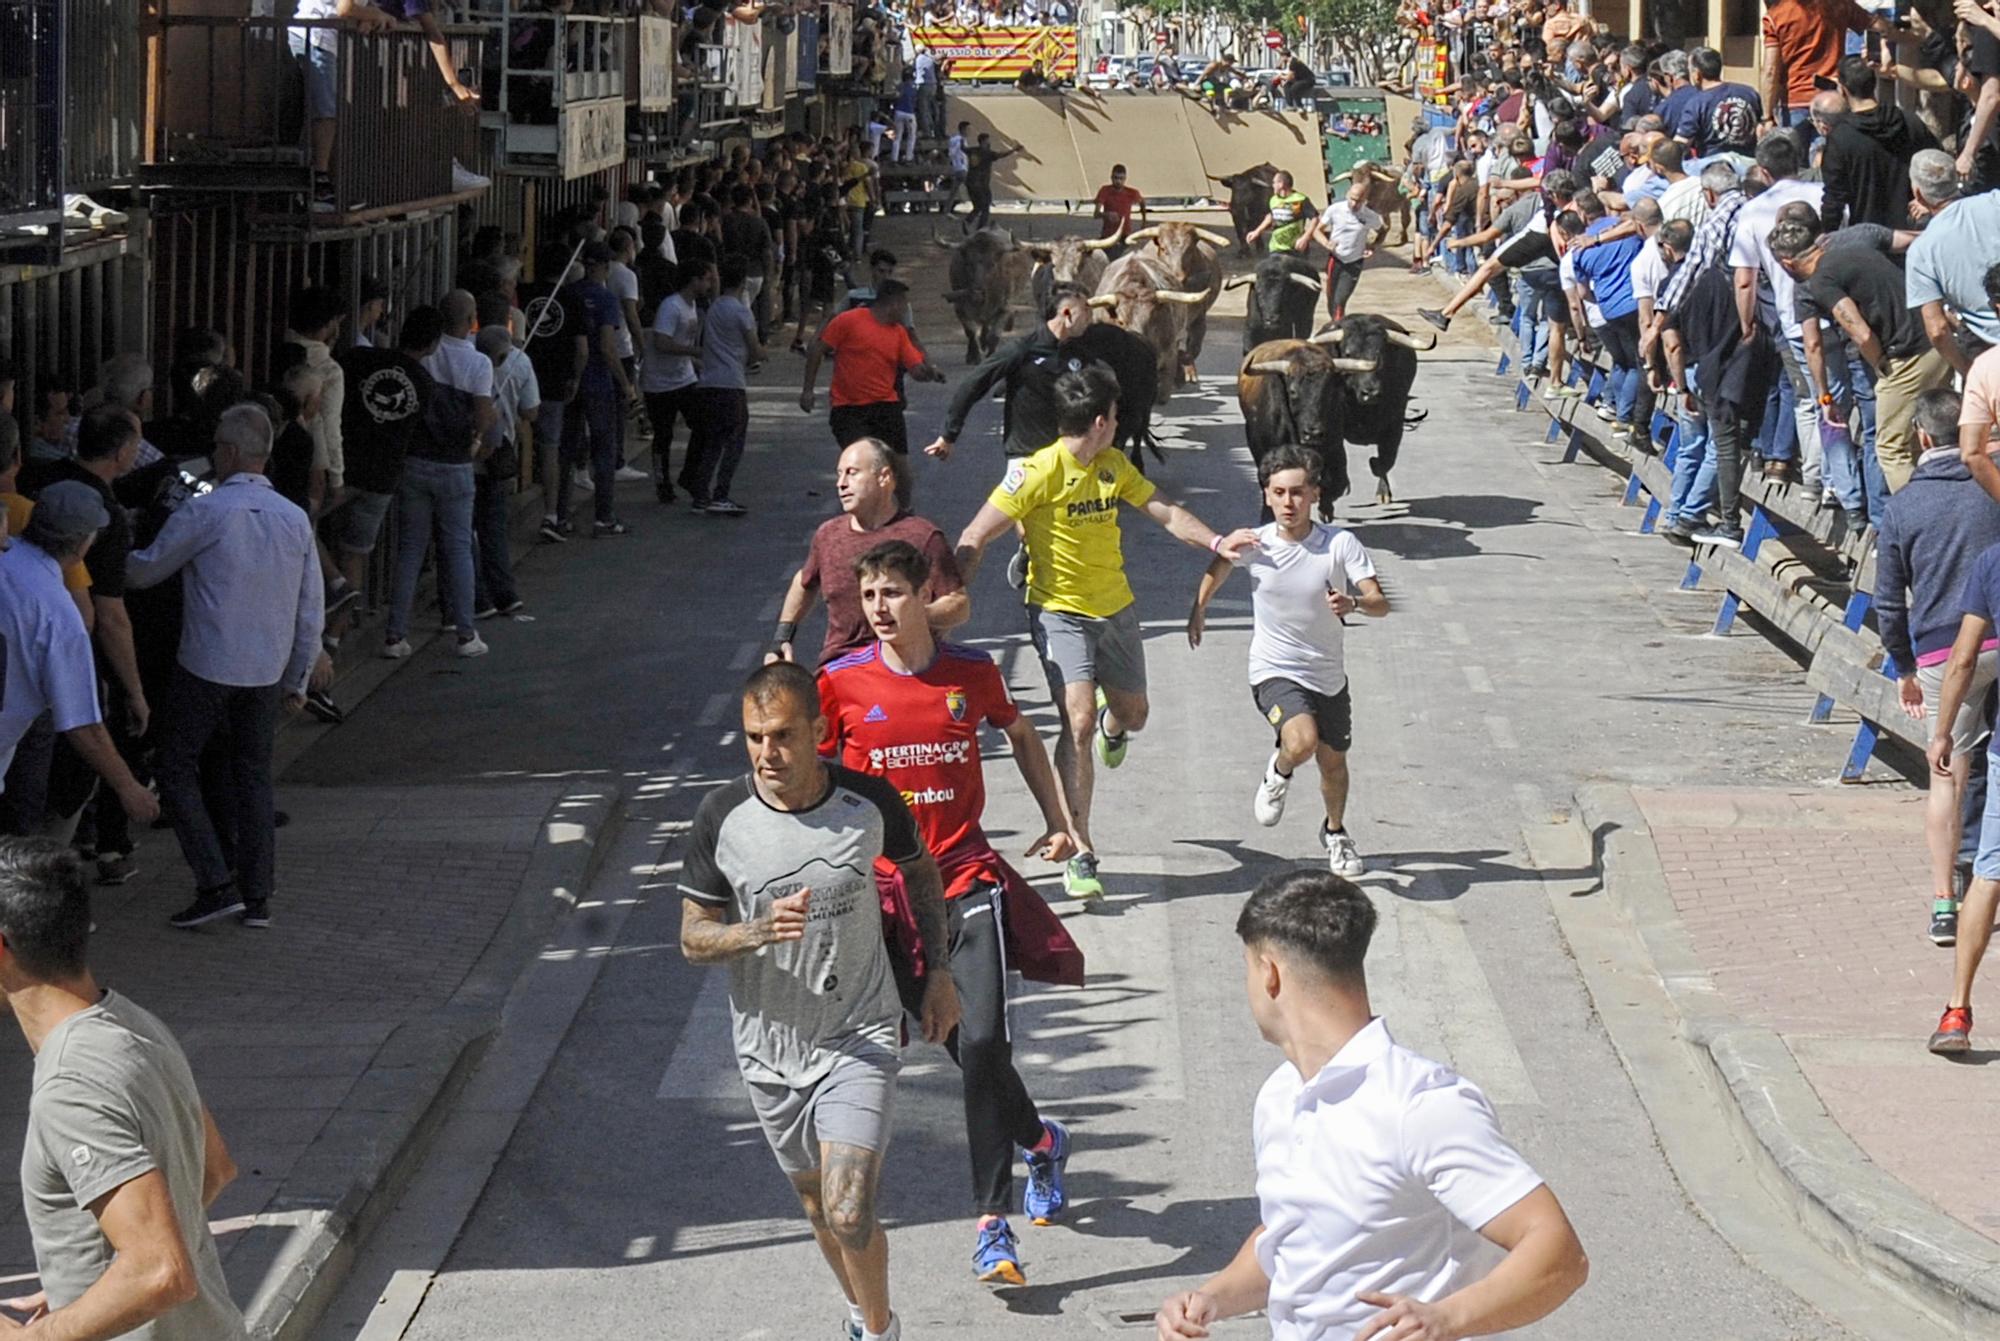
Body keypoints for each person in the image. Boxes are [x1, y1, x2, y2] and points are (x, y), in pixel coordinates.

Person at [1150, 869, 1589, 1340]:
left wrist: (1447, 1318)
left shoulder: (1418, 1105)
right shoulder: (1281, 1095)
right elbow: (1295, 1240)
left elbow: (1559, 1251)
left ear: (1268, 973)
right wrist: (1212, 1298)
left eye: (1246, 966)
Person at [817, 540, 1080, 1286]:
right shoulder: (839, 683)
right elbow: (815, 776)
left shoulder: (971, 672)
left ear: (921, 595)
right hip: (889, 903)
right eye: (869, 597)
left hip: (967, 880)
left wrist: (1061, 819)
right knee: (963, 1047)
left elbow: (1022, 733)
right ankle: (1042, 1138)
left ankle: (991, 1224)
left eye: (893, 593)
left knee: (988, 1038)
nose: (879, 609)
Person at [678, 661, 960, 1341]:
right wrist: (754, 930)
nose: (766, 754)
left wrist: (939, 973)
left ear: (817, 730)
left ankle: (880, 1330)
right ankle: (867, 1318)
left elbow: (919, 869)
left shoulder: (866, 804)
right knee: (817, 1207)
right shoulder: (723, 817)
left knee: (849, 1205)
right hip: (770, 1048)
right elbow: (692, 936)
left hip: (858, 1032)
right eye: (752, 738)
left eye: (780, 735)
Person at [952, 368, 1259, 900]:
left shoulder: (1114, 465)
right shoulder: (1034, 473)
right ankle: (1081, 848)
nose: (1118, 425)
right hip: (1057, 611)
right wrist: (952, 595)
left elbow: (1163, 511)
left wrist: (1216, 544)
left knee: (1132, 713)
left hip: (1115, 608)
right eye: (1116, 418)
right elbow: (975, 533)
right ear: (1100, 422)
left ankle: (1113, 730)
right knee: (1076, 719)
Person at [0, 840, 247, 1338]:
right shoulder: (133, 1021)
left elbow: (160, 1273)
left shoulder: (71, 1086)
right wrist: (92, 1294)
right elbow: (215, 1168)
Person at [126, 404, 325, 931]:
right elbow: (311, 606)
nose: (213, 452)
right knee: (253, 778)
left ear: (231, 452)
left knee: (176, 766)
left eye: (217, 444)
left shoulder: (208, 511)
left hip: (208, 662)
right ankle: (257, 894)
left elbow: (146, 571)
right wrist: (299, 676)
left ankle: (215, 881)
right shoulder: (294, 517)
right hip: (266, 667)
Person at [1185, 445, 1389, 876]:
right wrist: (1198, 609)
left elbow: (1378, 602)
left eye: (1297, 492)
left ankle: (1335, 833)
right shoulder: (1256, 544)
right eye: (1278, 492)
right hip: (1274, 669)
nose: (1287, 503)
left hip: (1328, 673)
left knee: (1333, 762)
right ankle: (1278, 773)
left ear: (1314, 494)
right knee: (1301, 742)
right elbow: (1218, 567)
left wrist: (1353, 602)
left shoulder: (1339, 544)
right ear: (1266, 495)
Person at [1874, 389, 2000, 949]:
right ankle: (1984, 872)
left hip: (1943, 653)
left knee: (1947, 772)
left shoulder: (1902, 505)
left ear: (1923, 437)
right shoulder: (1989, 487)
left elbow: (1887, 601)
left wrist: (1902, 664)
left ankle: (1946, 902)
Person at [0, 484, 159, 839]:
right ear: (84, 542)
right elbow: (83, 725)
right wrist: (128, 786)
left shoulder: (5, 561)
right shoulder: (59, 615)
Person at [1771, 217, 1948, 494]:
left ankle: (1921, 523)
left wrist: (1879, 365)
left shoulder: (1820, 281)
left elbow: (1860, 333)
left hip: (1905, 355)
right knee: (1925, 436)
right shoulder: (1855, 248)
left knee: (1890, 448)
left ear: (1787, 264)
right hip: (1938, 340)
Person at [770, 439, 968, 667]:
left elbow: (959, 604)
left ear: (884, 477)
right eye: (839, 474)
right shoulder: (828, 535)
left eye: (852, 473)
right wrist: (782, 638)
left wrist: (918, 615)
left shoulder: (923, 535)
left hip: (907, 670)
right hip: (842, 669)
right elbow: (804, 582)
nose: (841, 484)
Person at [385, 290, 490, 659]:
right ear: (471, 318)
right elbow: (483, 417)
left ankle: (395, 634)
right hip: (456, 466)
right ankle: (465, 632)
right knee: (458, 548)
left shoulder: (426, 355)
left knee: (410, 549)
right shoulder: (478, 364)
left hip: (415, 461)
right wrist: (479, 443)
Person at [925, 284, 1094, 463]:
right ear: (1067, 314)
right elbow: (973, 384)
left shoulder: (1081, 354)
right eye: (1085, 311)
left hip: (1069, 457)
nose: (1090, 319)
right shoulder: (1023, 349)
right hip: (1027, 457)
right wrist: (948, 434)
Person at [800, 281, 943, 455]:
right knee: (864, 458)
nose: (906, 310)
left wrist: (929, 372)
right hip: (849, 408)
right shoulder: (849, 320)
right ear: (893, 304)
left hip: (885, 405)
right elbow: (817, 350)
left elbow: (915, 369)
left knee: (898, 463)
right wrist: (808, 390)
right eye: (904, 304)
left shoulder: (899, 333)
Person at [563, 241, 641, 537]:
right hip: (598, 379)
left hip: (571, 380)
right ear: (606, 268)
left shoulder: (569, 294)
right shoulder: (606, 299)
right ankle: (604, 516)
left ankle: (559, 515)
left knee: (567, 449)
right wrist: (626, 384)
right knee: (603, 448)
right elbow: (609, 348)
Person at [1905, 150, 2000, 377]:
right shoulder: (1995, 201)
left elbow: (1937, 329)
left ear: (1918, 193)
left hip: (1987, 352)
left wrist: (1967, 370)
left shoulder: (1921, 251)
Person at [1819, 54, 1935, 231]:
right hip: (1912, 233)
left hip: (1867, 237)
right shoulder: (1909, 122)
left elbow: (1834, 199)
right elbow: (1937, 165)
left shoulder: (1840, 138)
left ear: (1843, 90)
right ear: (1874, 83)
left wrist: (1826, 238)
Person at [685, 256, 763, 517]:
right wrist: (761, 355)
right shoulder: (742, 312)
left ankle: (701, 493)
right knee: (735, 440)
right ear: (742, 283)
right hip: (731, 383)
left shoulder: (714, 307)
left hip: (709, 382)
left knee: (713, 441)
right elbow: (753, 348)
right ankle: (721, 492)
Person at [473, 324, 535, 619]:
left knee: (465, 532)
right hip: (499, 458)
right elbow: (531, 410)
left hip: (467, 459)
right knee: (494, 529)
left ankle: (477, 595)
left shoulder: (466, 362)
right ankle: (503, 592)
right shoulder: (520, 363)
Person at [1761, 0, 1894, 137]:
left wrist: (1767, 117)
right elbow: (1879, 26)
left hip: (1794, 101)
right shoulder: (1838, 4)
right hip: (1832, 98)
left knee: (1794, 155)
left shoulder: (1776, 15)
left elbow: (1770, 71)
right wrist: (1879, 50)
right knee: (1830, 154)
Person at [642, 257, 710, 507]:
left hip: (684, 377)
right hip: (660, 382)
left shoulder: (691, 306)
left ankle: (689, 475)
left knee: (702, 424)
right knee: (663, 434)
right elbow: (662, 342)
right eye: (706, 279)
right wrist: (693, 353)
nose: (709, 284)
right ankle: (663, 483)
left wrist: (694, 362)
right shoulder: (672, 307)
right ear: (694, 280)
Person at [1305, 178, 1382, 323]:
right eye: (1352, 199)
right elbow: (1317, 230)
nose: (1354, 204)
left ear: (1365, 199)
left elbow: (1381, 229)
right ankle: (1335, 321)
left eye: (1358, 201)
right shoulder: (1335, 209)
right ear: (1347, 195)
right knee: (1331, 298)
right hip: (1335, 259)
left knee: (1341, 299)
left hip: (1354, 261)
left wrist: (1372, 245)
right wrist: (1326, 243)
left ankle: (1338, 326)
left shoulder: (1370, 216)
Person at [1672, 46, 1763, 158]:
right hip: (1748, 161)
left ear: (1696, 75)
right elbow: (1760, 129)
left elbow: (1681, 143)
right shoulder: (1749, 92)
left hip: (1712, 165)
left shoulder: (1696, 103)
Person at [1243, 170, 1316, 256]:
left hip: (1296, 248)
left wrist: (1305, 237)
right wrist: (1257, 231)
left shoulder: (1300, 199)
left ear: (1281, 184)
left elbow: (1315, 218)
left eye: (1274, 183)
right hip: (1276, 248)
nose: (1272, 185)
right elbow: (1270, 216)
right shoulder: (1273, 200)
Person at [963, 132, 1015, 233]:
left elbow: (963, 149)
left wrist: (961, 143)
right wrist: (1013, 150)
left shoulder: (972, 150)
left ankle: (968, 221)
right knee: (985, 207)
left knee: (978, 206)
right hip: (981, 184)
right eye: (987, 140)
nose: (989, 142)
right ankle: (980, 228)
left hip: (970, 182)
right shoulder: (987, 153)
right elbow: (1001, 155)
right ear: (984, 141)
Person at [1092, 165, 1146, 243]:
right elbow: (1096, 214)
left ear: (1125, 179)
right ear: (1111, 178)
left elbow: (1142, 202)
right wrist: (1106, 215)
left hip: (1125, 234)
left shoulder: (1132, 192)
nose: (1118, 181)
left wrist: (1144, 222)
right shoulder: (1105, 191)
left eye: (1121, 178)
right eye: (1116, 178)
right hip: (1108, 234)